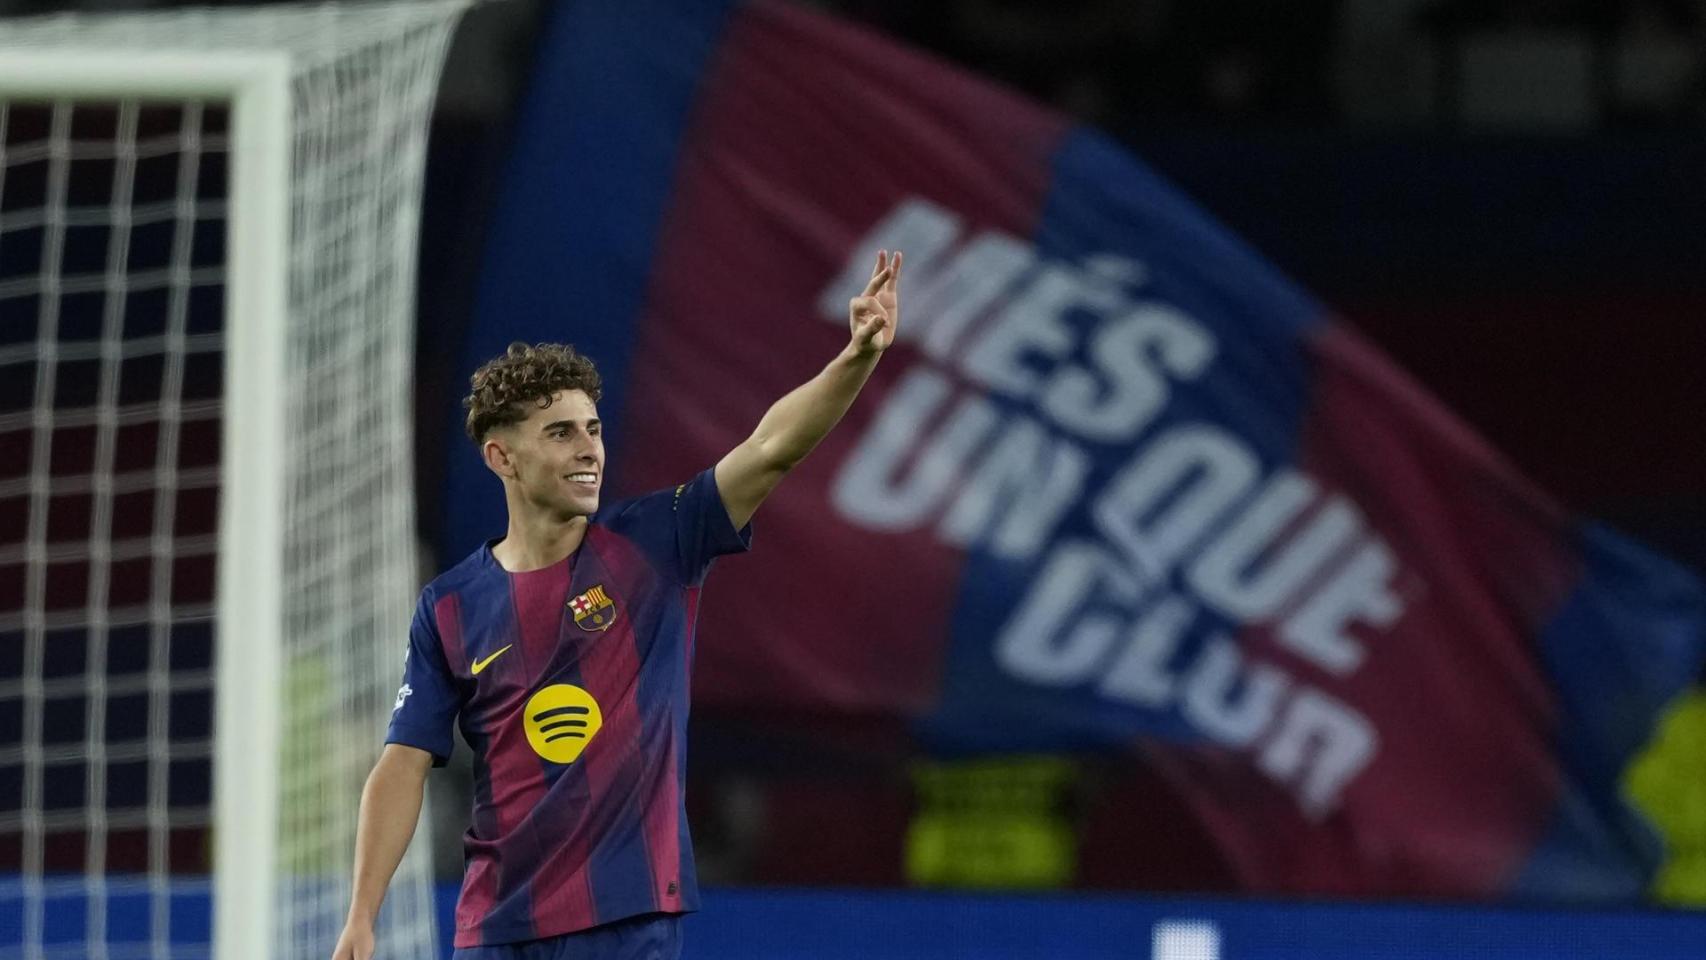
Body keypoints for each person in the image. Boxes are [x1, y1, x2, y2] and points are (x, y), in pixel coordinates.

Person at [331, 251, 903, 960]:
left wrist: (856, 357)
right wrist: (362, 913)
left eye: (594, 429)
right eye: (561, 433)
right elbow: (403, 761)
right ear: (501, 458)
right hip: (498, 929)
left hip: (627, 922)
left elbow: (769, 448)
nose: (589, 450)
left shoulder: (656, 542)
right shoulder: (449, 607)